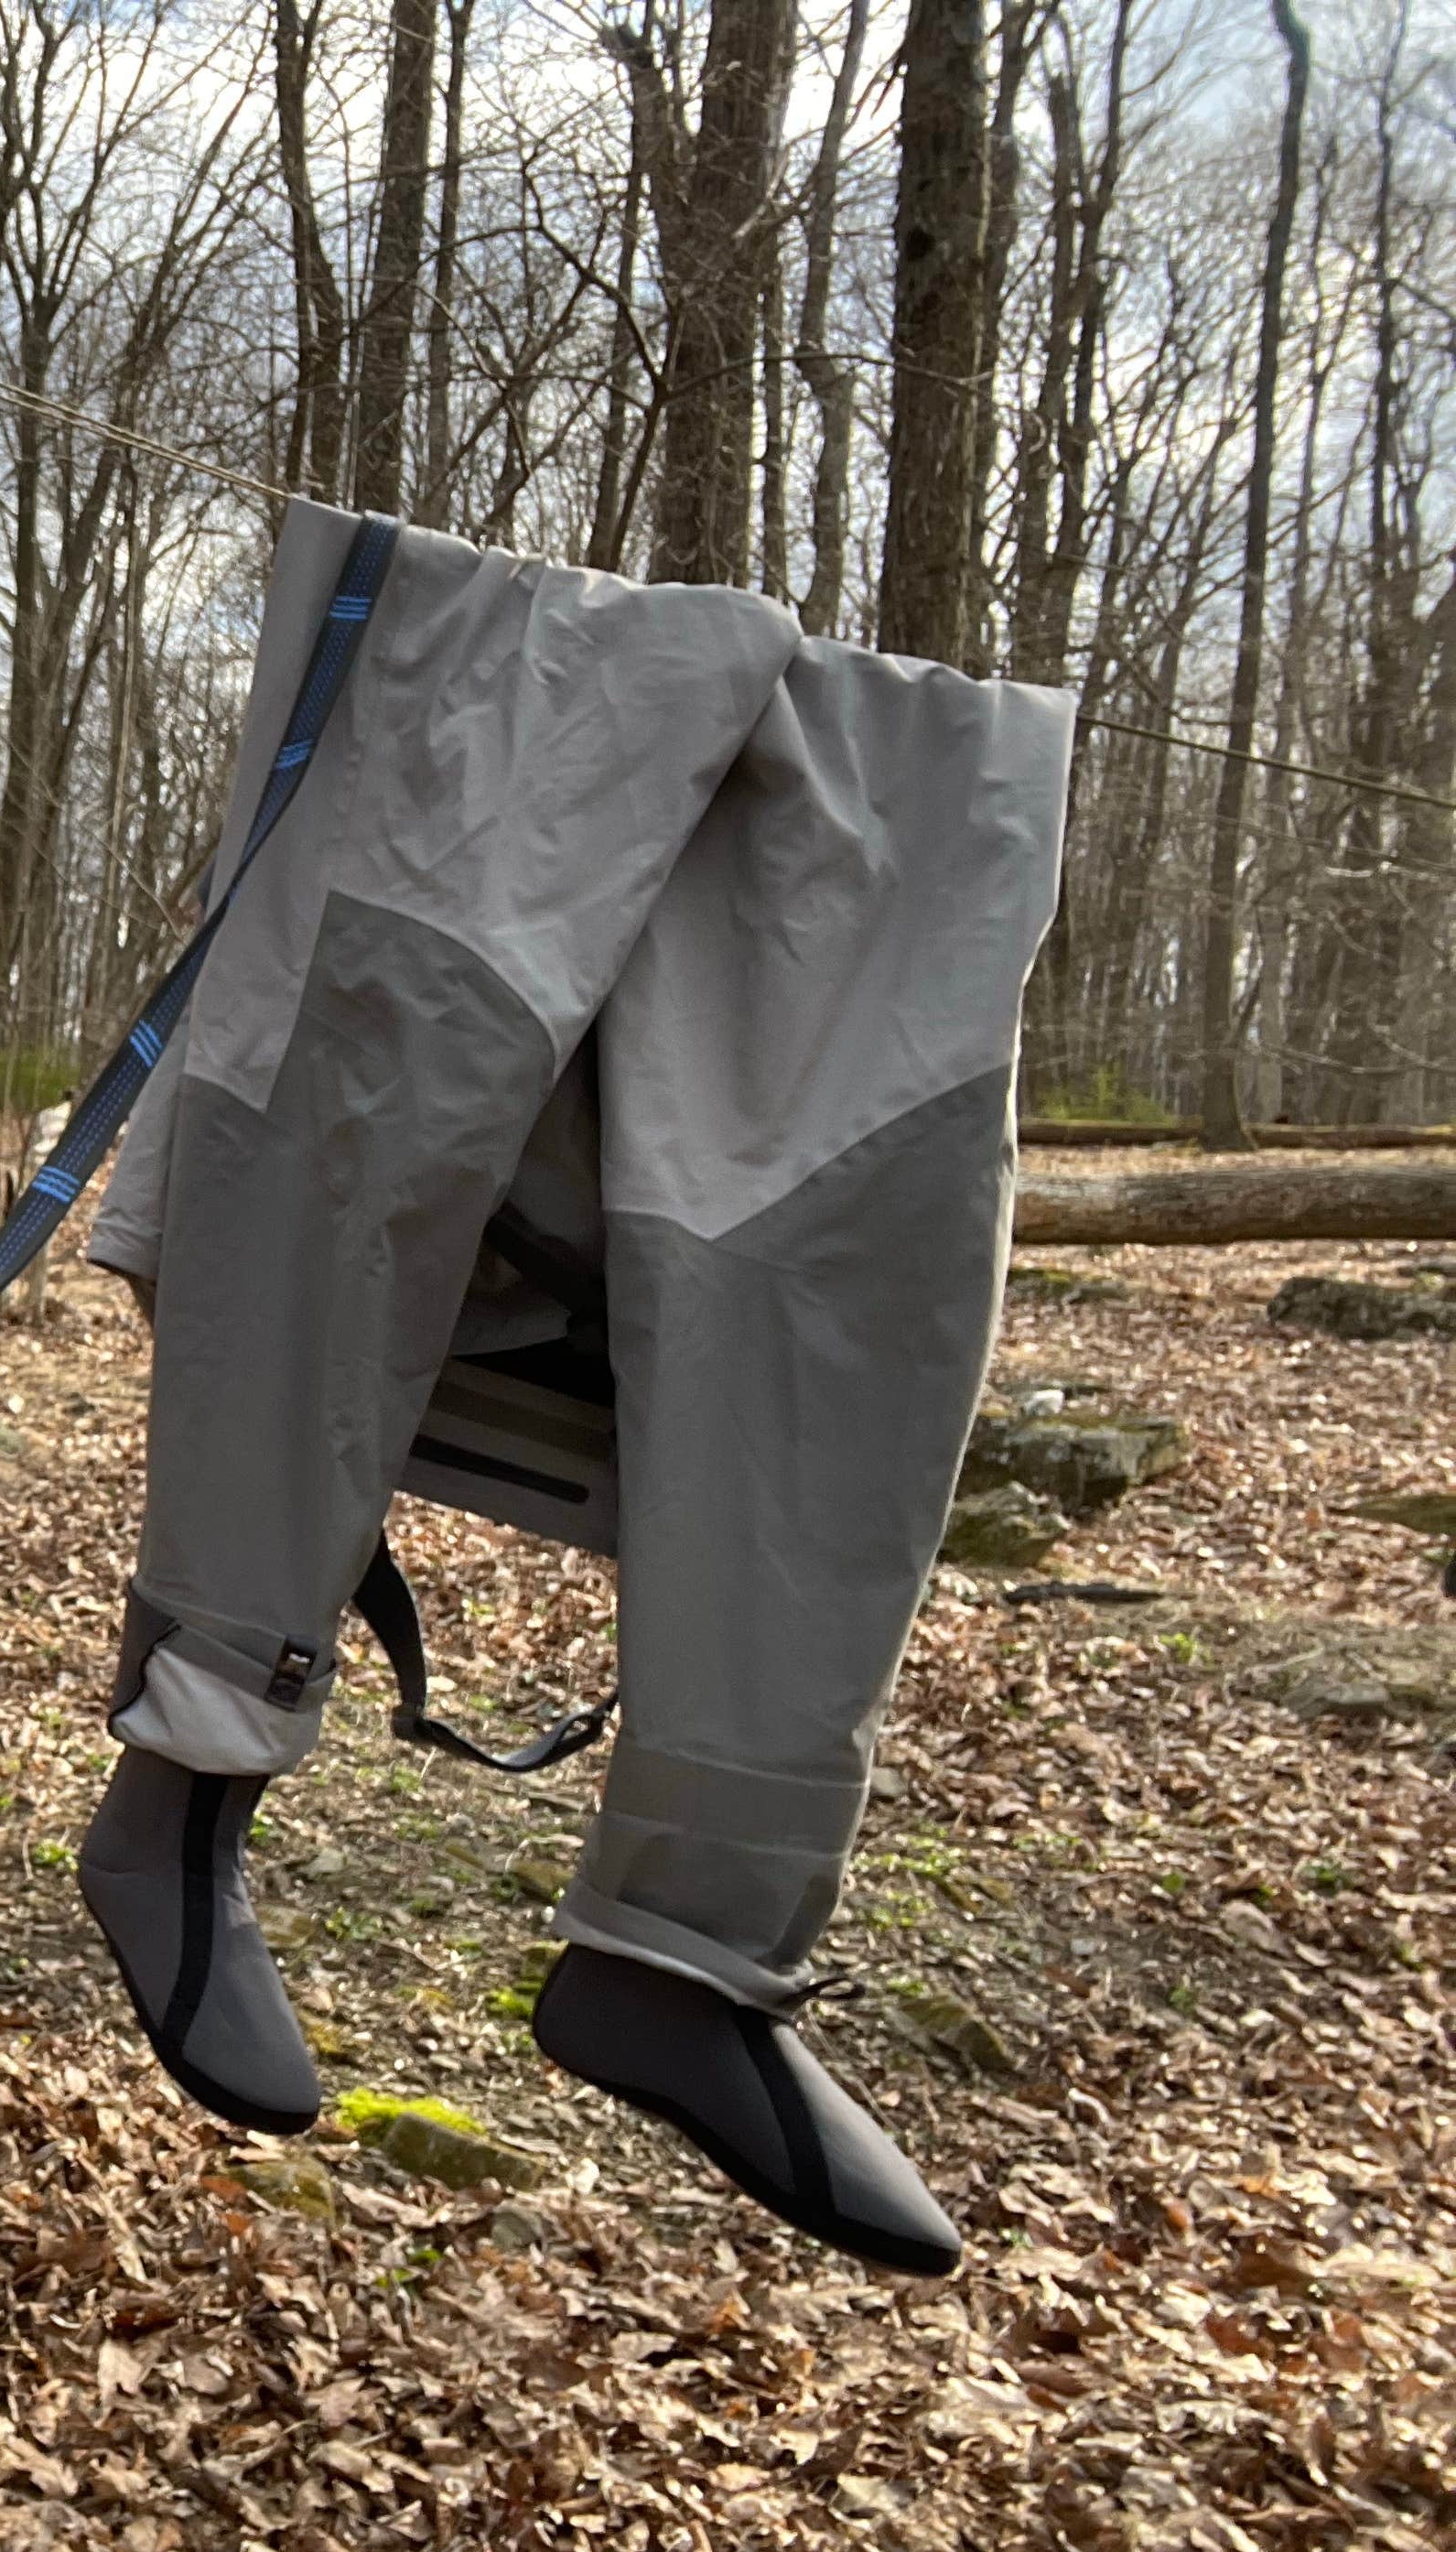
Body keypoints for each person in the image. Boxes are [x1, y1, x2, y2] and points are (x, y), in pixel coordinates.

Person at [79, 501, 1073, 2277]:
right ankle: (186, 1787)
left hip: (866, 866)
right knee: (364, 1096)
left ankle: (689, 1946)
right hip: (469, 753)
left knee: (860, 1260)